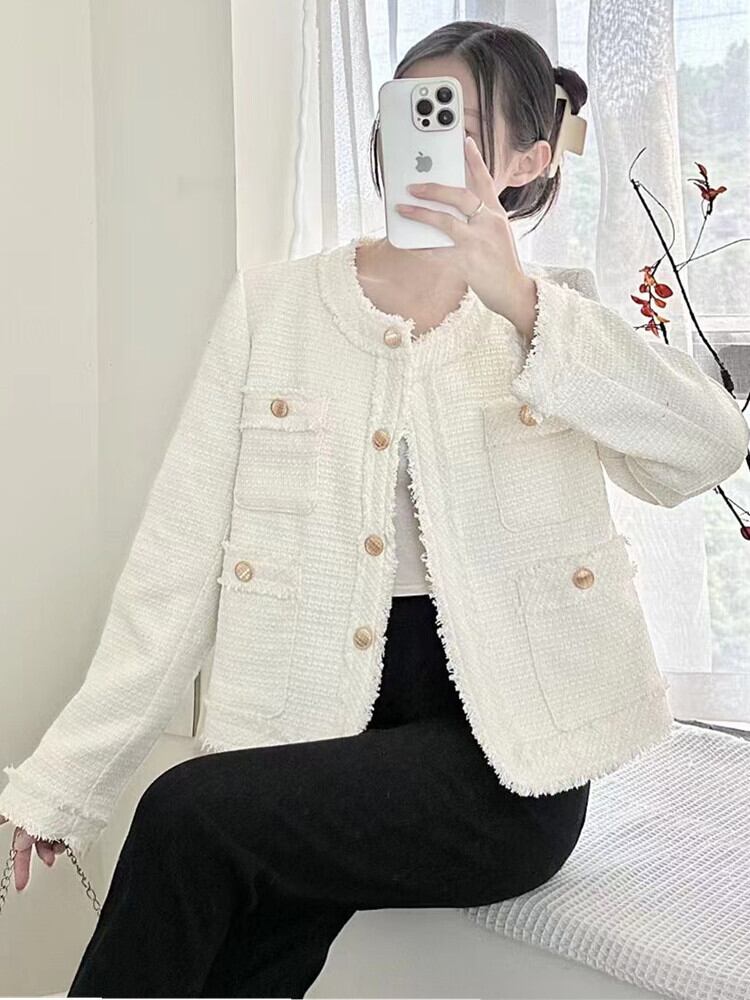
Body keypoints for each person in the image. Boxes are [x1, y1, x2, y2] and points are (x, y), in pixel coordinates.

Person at [2, 19, 746, 1000]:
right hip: (319, 720)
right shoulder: (277, 310)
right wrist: (65, 779)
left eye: (459, 124)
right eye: (409, 110)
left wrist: (519, 301)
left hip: (508, 761)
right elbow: (177, 561)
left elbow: (707, 447)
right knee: (242, 939)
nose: (420, 139)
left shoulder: (554, 316)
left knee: (191, 814)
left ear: (528, 159)